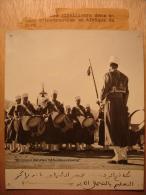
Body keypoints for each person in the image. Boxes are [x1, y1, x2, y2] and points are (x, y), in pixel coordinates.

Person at [100, 56, 129, 164]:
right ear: (117, 65)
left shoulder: (108, 75)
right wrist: (123, 104)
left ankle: (118, 156)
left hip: (111, 103)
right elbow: (127, 93)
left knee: (112, 127)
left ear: (110, 65)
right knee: (122, 128)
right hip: (121, 104)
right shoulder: (125, 77)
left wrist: (100, 100)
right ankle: (124, 156)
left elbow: (104, 88)